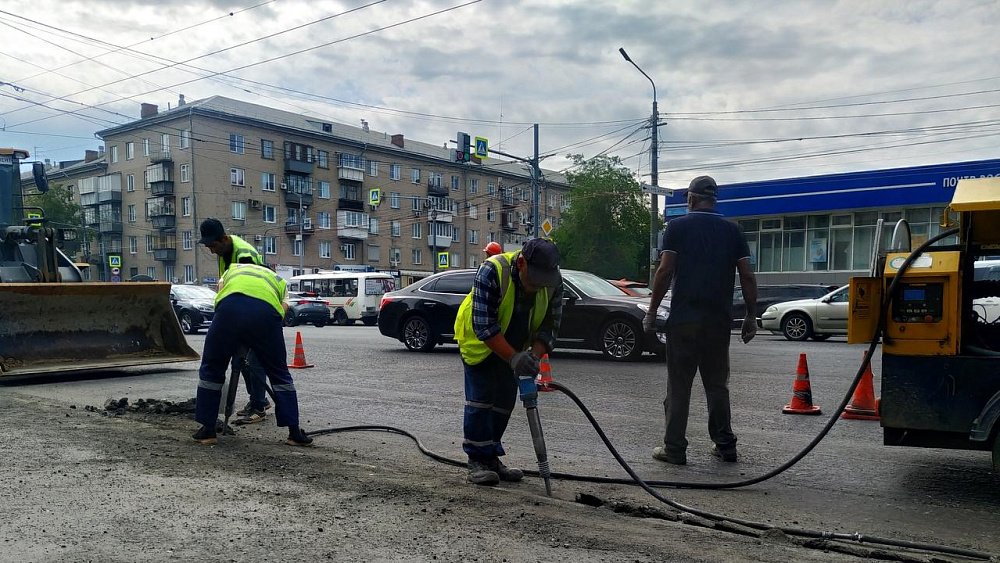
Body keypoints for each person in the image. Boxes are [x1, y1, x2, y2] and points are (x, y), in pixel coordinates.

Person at [644, 175, 757, 465]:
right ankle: (725, 445)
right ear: (714, 200)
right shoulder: (734, 231)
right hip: (718, 323)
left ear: (691, 199)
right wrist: (750, 316)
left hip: (684, 321)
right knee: (717, 386)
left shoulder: (677, 227)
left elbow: (665, 271)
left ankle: (674, 448)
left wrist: (652, 311)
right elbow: (746, 275)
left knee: (679, 386)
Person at [454, 238, 563, 485]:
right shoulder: (493, 270)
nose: (538, 287)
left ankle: (492, 458)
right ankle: (477, 461)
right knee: (481, 400)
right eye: (534, 280)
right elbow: (484, 324)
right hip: (480, 343)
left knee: (504, 401)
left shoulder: (553, 281)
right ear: (522, 263)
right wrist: (513, 357)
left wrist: (532, 356)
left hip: (516, 344)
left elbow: (550, 327)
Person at [191, 262, 312, 446]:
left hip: (229, 311)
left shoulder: (233, 269)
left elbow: (221, 293)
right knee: (279, 373)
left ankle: (207, 431)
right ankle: (294, 433)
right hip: (265, 316)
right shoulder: (277, 280)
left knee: (212, 368)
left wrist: (230, 332)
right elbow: (283, 308)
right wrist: (263, 336)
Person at [199, 218, 271, 424]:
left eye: (213, 245)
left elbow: (246, 290)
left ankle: (258, 407)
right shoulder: (225, 252)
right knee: (241, 360)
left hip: (256, 312)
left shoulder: (244, 254)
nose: (212, 251)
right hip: (242, 313)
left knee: (253, 361)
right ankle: (259, 400)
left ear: (223, 239)